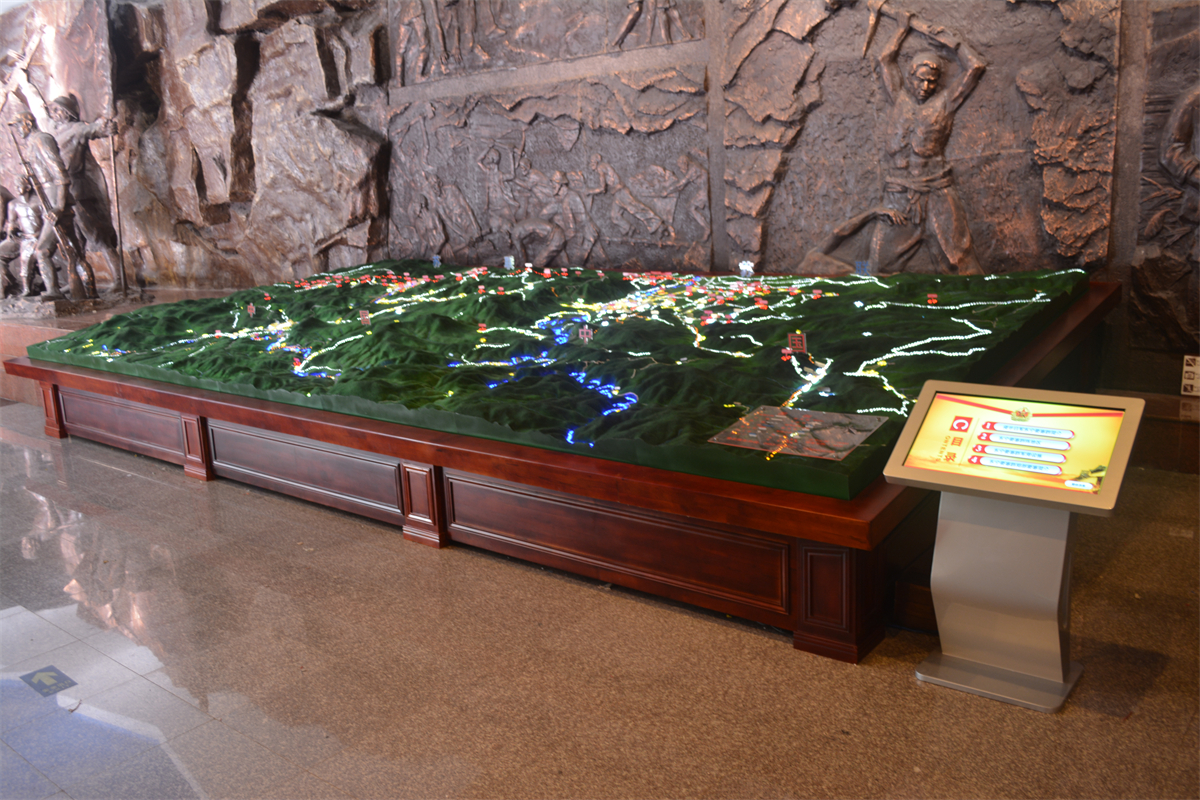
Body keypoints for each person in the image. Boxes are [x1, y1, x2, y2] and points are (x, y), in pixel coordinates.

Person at [868, 10, 986, 275]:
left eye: (931, 82)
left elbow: (976, 67)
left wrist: (951, 42)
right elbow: (884, 59)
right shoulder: (898, 97)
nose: (925, 86)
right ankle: (866, 295)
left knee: (959, 259)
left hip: (937, 192)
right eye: (919, 80)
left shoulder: (946, 102)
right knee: (877, 264)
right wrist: (901, 28)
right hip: (898, 193)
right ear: (909, 76)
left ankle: (977, 298)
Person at [9, 111, 86, 299]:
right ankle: (87, 290)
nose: (18, 130)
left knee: (42, 251)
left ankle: (54, 291)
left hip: (55, 199)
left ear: (28, 123)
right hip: (49, 198)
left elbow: (60, 175)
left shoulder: (41, 140)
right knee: (73, 251)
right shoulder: (32, 143)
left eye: (19, 125)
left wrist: (59, 206)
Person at [0, 174, 46, 296]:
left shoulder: (38, 202)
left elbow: (46, 223)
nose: (16, 188)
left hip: (34, 237)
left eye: (19, 186)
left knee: (23, 258)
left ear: (28, 187)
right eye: (15, 186)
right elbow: (11, 222)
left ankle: (21, 288)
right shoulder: (14, 204)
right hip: (20, 237)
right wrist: (11, 230)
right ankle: (9, 285)